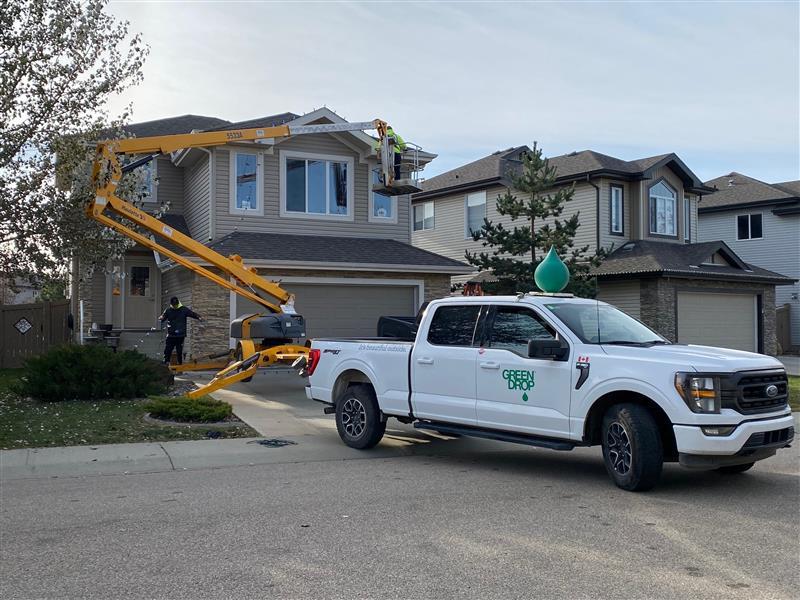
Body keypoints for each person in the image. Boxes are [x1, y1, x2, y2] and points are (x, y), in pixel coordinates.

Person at [160, 296, 202, 365]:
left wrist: (199, 317)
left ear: (178, 303)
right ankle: (166, 361)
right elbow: (163, 318)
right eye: (174, 305)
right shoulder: (168, 310)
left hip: (180, 334)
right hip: (171, 334)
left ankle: (180, 364)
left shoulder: (184, 309)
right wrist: (161, 318)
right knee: (168, 349)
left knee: (179, 350)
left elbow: (192, 314)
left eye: (176, 304)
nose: (175, 306)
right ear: (171, 304)